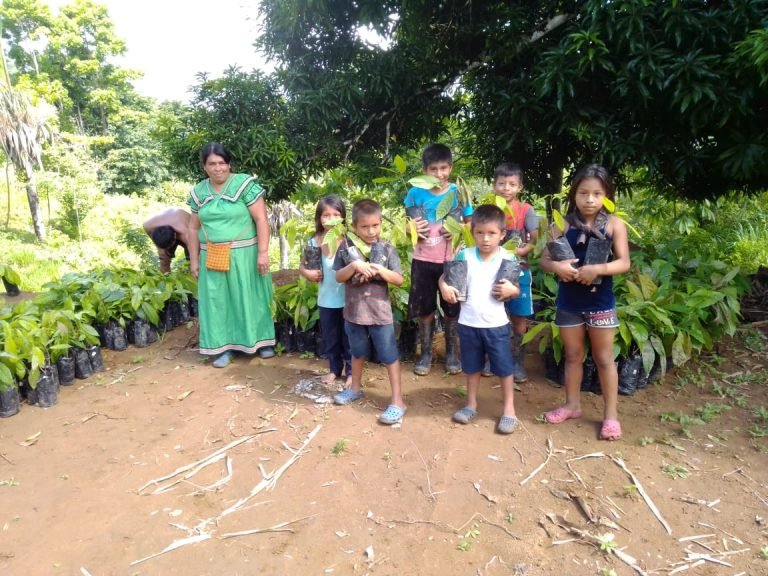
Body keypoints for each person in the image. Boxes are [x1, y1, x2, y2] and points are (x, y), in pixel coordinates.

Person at [539, 164, 630, 441]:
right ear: (574, 195)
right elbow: (544, 260)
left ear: (607, 195)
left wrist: (597, 270)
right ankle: (572, 404)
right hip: (569, 301)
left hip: (601, 301)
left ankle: (611, 415)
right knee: (572, 356)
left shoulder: (614, 224)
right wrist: (558, 268)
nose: (589, 199)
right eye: (583, 193)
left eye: (596, 193)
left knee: (604, 358)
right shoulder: (561, 224)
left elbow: (624, 262)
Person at [186, 143, 275, 367]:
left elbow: (261, 220)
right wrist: (194, 259)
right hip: (212, 255)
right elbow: (192, 227)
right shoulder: (198, 192)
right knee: (218, 302)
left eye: (221, 163)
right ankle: (223, 348)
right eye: (212, 164)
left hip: (245, 254)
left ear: (229, 164)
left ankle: (261, 342)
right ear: (204, 167)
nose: (218, 168)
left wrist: (263, 253)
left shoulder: (245, 185)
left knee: (250, 297)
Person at [439, 204, 521, 434]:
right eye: (480, 233)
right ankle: (471, 404)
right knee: (471, 367)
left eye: (492, 233)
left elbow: (516, 288)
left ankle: (509, 410)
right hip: (468, 323)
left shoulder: (508, 258)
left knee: (504, 368)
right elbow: (444, 278)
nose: (486, 239)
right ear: (472, 232)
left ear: (502, 234)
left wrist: (511, 292)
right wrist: (445, 287)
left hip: (496, 325)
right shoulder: (464, 255)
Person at [332, 199, 406, 425]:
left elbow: (399, 280)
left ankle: (397, 401)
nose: (371, 231)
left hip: (379, 314)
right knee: (357, 352)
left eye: (375, 225)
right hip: (354, 313)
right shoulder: (346, 249)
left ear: (381, 224)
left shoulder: (386, 249)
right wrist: (354, 266)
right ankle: (355, 388)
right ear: (354, 227)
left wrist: (381, 270)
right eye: (365, 227)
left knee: (389, 356)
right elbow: (338, 276)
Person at [404, 143, 473, 376]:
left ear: (451, 168)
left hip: (452, 260)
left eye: (444, 168)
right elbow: (408, 227)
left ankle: (452, 353)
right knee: (425, 309)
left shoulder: (458, 192)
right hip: (422, 259)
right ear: (424, 171)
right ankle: (426, 353)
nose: (439, 174)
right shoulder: (414, 193)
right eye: (434, 169)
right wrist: (410, 228)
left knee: (452, 307)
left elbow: (470, 225)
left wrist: (458, 229)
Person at [486, 163, 539, 382]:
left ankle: (517, 361)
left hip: (520, 270)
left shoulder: (527, 210)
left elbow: (534, 240)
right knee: (491, 315)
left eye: (512, 184)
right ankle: (492, 360)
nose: (506, 188)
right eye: (501, 183)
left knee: (518, 317)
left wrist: (518, 251)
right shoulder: (489, 209)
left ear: (520, 187)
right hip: (491, 271)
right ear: (494, 185)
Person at [299, 195, 352, 386]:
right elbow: (302, 266)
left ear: (343, 217)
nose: (330, 219)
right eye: (326, 215)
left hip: (349, 300)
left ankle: (352, 372)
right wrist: (308, 274)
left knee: (349, 338)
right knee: (331, 338)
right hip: (326, 300)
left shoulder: (349, 240)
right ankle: (334, 369)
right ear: (319, 218)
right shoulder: (314, 242)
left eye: (336, 214)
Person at [143, 208, 192, 273]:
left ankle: (193, 279)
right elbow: (160, 248)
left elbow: (196, 255)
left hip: (190, 232)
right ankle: (166, 278)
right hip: (169, 227)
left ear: (175, 236)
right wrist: (162, 253)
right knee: (163, 257)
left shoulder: (186, 233)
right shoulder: (148, 226)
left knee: (192, 262)